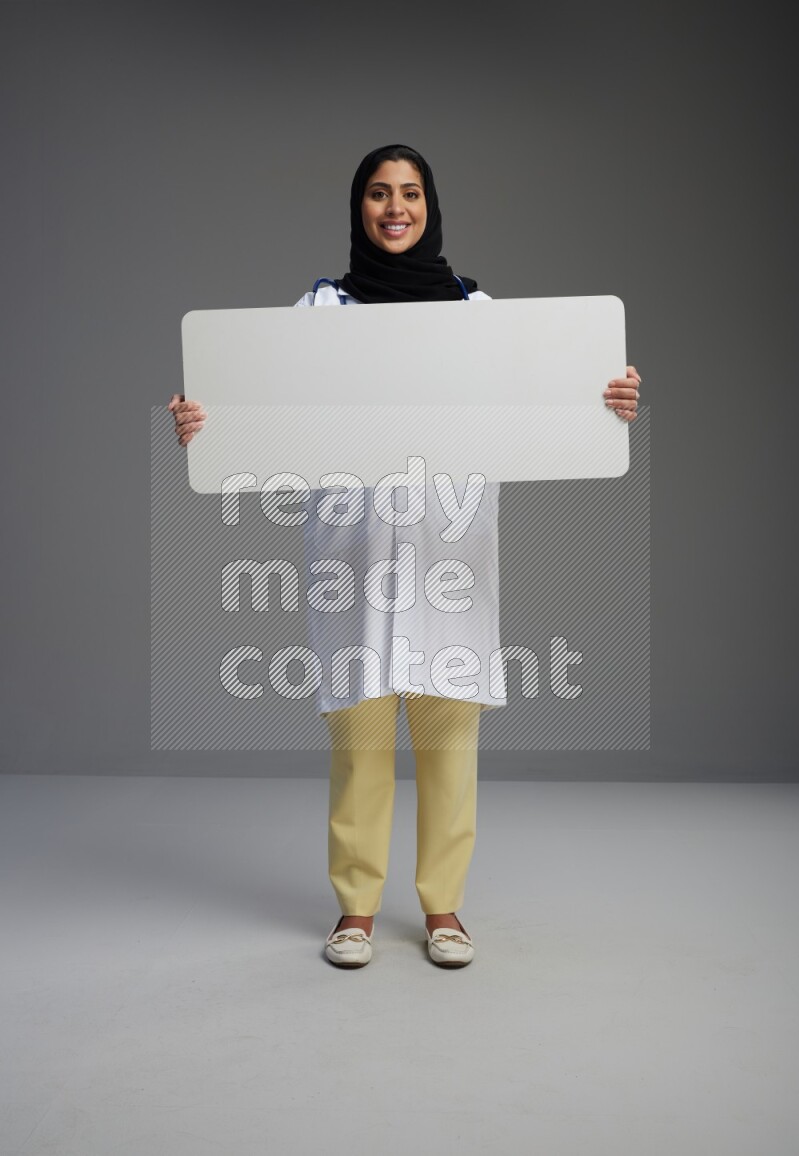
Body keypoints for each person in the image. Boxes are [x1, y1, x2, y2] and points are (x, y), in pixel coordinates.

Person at [169, 143, 641, 969]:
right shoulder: (319, 312)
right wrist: (203, 424)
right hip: (351, 554)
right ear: (359, 207)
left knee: (449, 735)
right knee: (359, 737)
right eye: (380, 194)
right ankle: (354, 910)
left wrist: (603, 402)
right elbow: (255, 405)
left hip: (445, 550)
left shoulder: (478, 311)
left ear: (431, 206)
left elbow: (542, 407)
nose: (396, 208)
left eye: (411, 193)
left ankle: (443, 909)